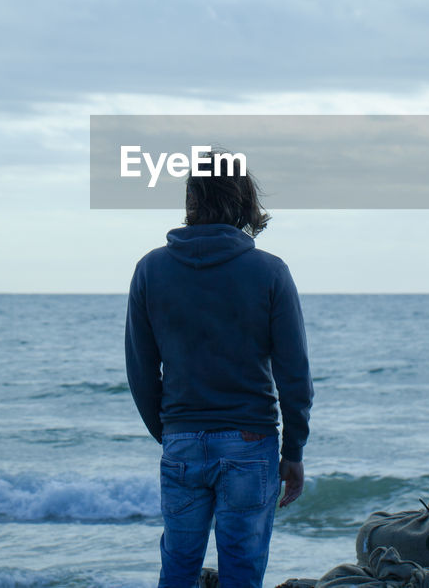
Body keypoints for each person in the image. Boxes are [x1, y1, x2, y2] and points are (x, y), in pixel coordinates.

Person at [125, 152, 314, 587]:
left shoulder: (151, 269)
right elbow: (294, 376)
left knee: (178, 567)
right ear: (244, 200)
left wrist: (171, 431)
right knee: (242, 570)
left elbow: (140, 370)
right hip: (250, 442)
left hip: (182, 440)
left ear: (192, 198)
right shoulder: (270, 272)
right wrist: (294, 451)